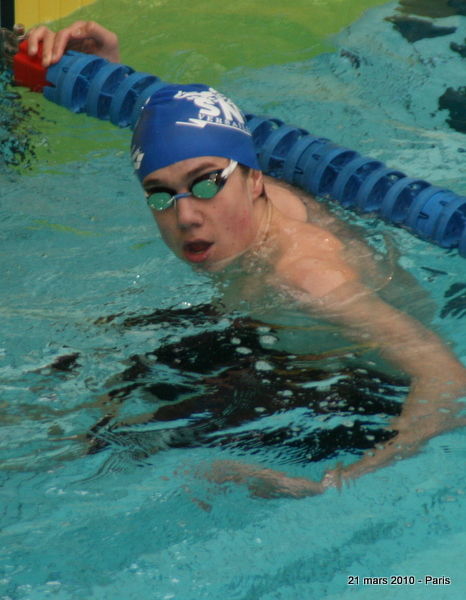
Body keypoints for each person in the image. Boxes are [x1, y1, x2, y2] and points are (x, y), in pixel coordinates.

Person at [27, 21, 466, 497]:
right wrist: (102, 77)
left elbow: (446, 377)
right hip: (270, 335)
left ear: (255, 181)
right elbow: (180, 146)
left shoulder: (306, 277)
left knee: (121, 444)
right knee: (82, 358)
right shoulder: (243, 188)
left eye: (206, 184)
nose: (186, 217)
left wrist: (341, 484)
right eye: (160, 194)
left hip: (351, 386)